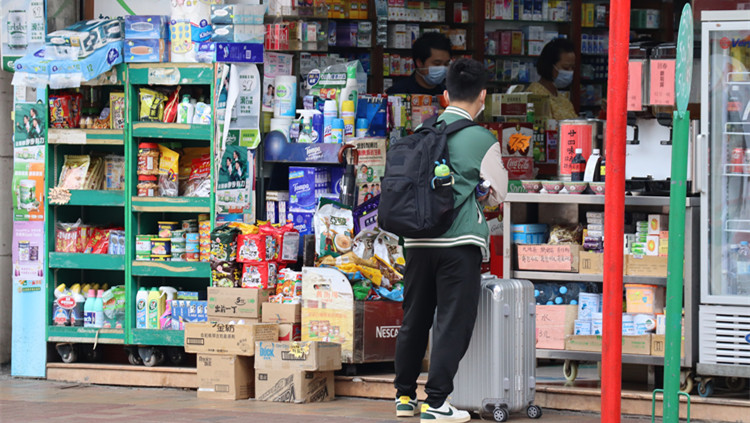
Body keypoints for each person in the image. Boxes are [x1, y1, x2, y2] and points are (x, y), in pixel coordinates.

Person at [393, 58, 508, 422]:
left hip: (416, 241)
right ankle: (437, 403)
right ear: (483, 96)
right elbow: (499, 195)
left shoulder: (422, 132)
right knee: (452, 323)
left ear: (444, 96)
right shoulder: (481, 139)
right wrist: (479, 192)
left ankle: (404, 397)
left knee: (415, 319)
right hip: (458, 244)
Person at [526, 38, 578, 120]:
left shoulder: (562, 98)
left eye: (573, 67)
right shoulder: (535, 95)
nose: (570, 72)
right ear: (550, 66)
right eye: (566, 68)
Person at [386, 32, 452, 96]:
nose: (443, 69)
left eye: (446, 64)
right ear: (419, 63)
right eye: (437, 64)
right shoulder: (398, 92)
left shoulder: (449, 93)